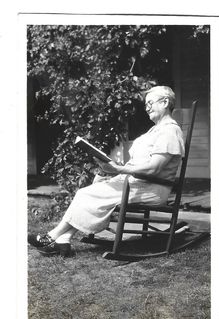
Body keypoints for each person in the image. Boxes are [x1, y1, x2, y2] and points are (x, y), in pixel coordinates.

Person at [28, 86, 185, 256]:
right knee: (89, 191)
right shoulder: (155, 130)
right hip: (137, 183)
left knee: (87, 194)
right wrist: (111, 170)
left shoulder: (170, 131)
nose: (147, 108)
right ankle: (63, 240)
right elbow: (139, 164)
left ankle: (51, 236)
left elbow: (155, 167)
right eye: (146, 104)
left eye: (150, 103)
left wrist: (119, 169)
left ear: (165, 102)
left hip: (151, 188)